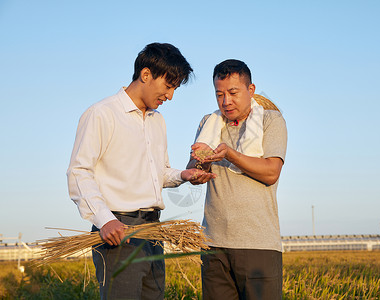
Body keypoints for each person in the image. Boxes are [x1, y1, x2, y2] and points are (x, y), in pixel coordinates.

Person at [67, 42, 215, 300]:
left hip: (153, 231)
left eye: (174, 89)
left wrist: (183, 175)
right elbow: (79, 172)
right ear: (146, 75)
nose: (170, 96)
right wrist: (104, 219)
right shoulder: (102, 114)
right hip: (118, 231)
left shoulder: (158, 120)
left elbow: (159, 172)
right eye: (169, 86)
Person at [187, 59, 287, 300]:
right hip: (213, 244)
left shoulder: (270, 120)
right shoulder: (208, 123)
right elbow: (193, 171)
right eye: (219, 94)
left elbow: (271, 172)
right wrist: (200, 163)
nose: (226, 101)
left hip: (258, 244)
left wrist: (230, 154)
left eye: (233, 93)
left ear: (250, 90)